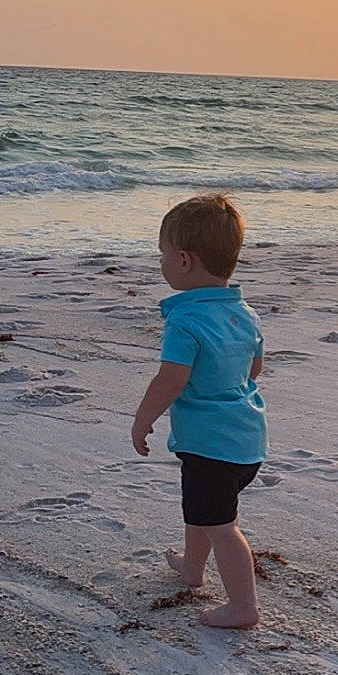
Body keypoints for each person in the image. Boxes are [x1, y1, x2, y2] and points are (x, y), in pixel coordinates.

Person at [132, 192, 267, 629]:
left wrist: (143, 418)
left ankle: (244, 605)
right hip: (245, 439)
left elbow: (171, 378)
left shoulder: (184, 321)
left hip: (211, 444)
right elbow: (255, 367)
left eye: (163, 255)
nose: (162, 263)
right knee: (203, 510)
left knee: (221, 524)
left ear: (184, 260)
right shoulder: (244, 313)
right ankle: (192, 571)